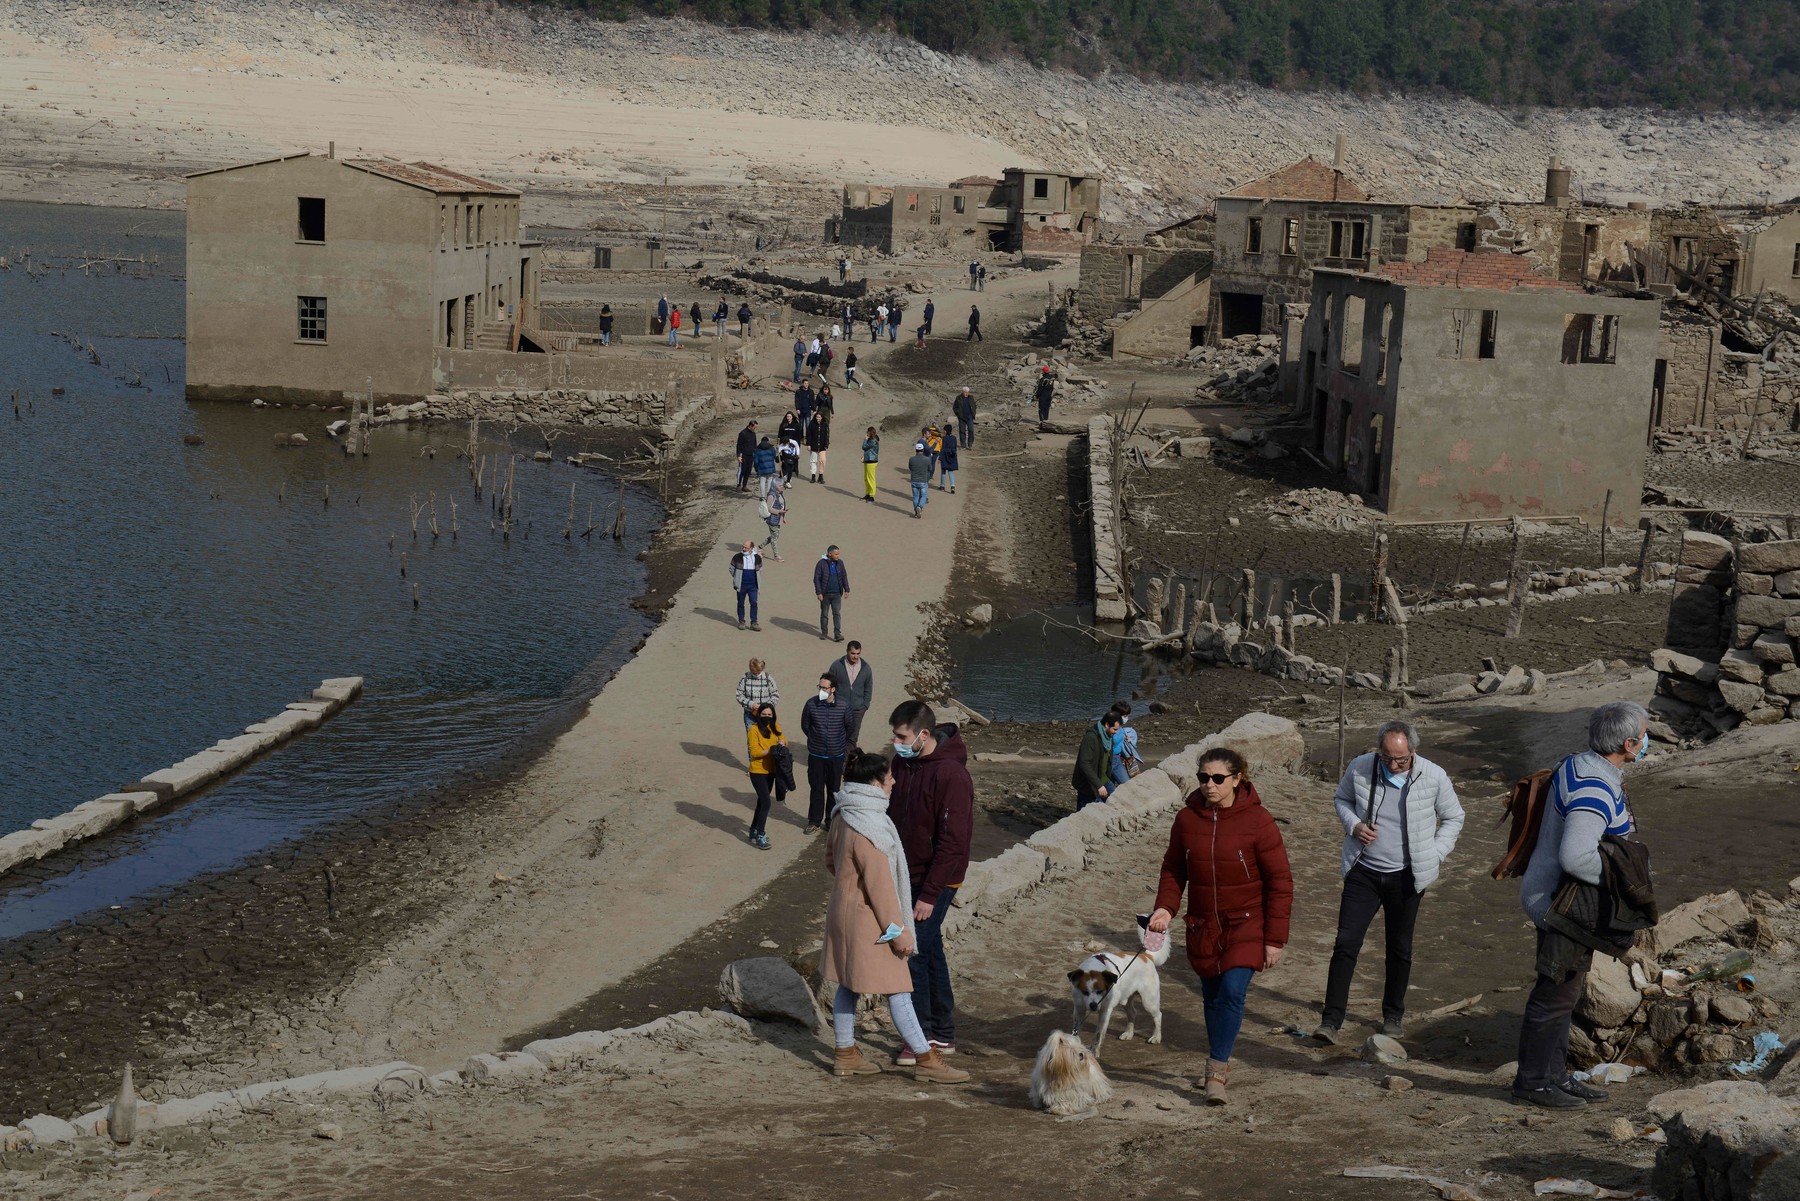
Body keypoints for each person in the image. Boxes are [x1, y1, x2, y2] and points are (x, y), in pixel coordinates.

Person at [1510, 701, 1649, 1110]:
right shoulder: (1593, 785)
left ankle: (1555, 1075)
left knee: (1566, 992)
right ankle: (1532, 1083)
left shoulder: (1581, 763)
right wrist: (1624, 884)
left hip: (1564, 898)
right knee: (1555, 992)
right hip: (1562, 903)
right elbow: (1576, 856)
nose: (1647, 741)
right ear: (1628, 743)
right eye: (1644, 735)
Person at [1147, 747, 1293, 1105]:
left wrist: (1274, 939)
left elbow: (1280, 882)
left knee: (1231, 991)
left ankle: (1216, 1072)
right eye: (1203, 778)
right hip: (1203, 925)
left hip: (1247, 924)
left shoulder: (1259, 821)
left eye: (1217, 779)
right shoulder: (1186, 820)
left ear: (1236, 779)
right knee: (1212, 997)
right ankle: (1218, 1059)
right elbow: (1173, 870)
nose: (1209, 785)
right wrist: (1165, 908)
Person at [1313, 720, 1466, 1045]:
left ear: (1413, 752)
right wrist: (1354, 826)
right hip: (1363, 872)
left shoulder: (1434, 775)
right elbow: (1341, 800)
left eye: (1401, 759)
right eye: (1387, 758)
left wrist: (1435, 853)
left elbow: (1454, 817)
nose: (1393, 765)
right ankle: (1331, 1021)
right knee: (1345, 945)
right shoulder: (1360, 767)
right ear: (1379, 751)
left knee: (1400, 948)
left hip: (1408, 877)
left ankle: (1393, 1017)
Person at [822, 750, 969, 1084]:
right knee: (899, 989)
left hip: (842, 916)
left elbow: (831, 860)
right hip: (871, 924)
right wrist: (901, 934)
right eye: (889, 778)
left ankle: (845, 1054)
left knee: (848, 984)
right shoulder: (870, 826)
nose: (894, 782)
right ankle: (925, 1059)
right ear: (875, 782)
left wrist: (850, 887)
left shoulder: (844, 812)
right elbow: (882, 890)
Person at [887, 700, 974, 1060]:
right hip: (908, 873)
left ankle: (920, 1036)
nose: (896, 741)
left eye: (901, 735)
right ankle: (943, 1033)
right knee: (932, 949)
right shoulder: (902, 763)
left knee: (915, 951)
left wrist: (930, 894)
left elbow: (954, 842)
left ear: (923, 734)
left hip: (937, 879)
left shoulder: (951, 775)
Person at [802, 673, 854, 833]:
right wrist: (815, 739)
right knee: (816, 788)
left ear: (833, 689)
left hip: (835, 756)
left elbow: (850, 727)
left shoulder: (844, 706)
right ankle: (814, 821)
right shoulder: (811, 704)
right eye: (820, 687)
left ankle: (831, 820)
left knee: (834, 790)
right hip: (816, 756)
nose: (822, 690)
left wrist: (837, 742)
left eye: (825, 688)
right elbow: (805, 726)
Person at [745, 701, 787, 850]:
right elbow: (754, 752)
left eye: (770, 714)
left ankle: (753, 830)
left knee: (761, 802)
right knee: (766, 802)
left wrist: (782, 743)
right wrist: (772, 750)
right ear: (759, 715)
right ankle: (761, 834)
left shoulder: (775, 727)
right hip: (757, 772)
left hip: (771, 771)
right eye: (764, 714)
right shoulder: (754, 730)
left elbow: (784, 741)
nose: (767, 717)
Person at [826, 640, 875, 748]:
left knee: (852, 738)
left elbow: (868, 688)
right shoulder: (836, 666)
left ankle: (846, 763)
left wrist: (865, 706)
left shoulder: (866, 668)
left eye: (858, 654)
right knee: (837, 735)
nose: (855, 656)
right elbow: (828, 685)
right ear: (847, 652)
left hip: (858, 709)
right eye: (853, 653)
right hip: (839, 707)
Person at [1072, 709, 1123, 810]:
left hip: (1103, 778)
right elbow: (1084, 763)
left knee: (1115, 802)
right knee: (1084, 812)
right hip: (1087, 783)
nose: (1116, 732)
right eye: (1115, 729)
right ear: (1107, 725)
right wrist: (1099, 785)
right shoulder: (1090, 738)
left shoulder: (1108, 737)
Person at [814, 544, 849, 641]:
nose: (838, 556)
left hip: (837, 594)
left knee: (836, 613)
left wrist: (847, 589)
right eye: (836, 554)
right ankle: (824, 633)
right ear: (830, 554)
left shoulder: (840, 563)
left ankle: (837, 634)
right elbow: (816, 578)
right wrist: (819, 593)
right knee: (824, 614)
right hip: (825, 594)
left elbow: (844, 576)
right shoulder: (821, 563)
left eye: (839, 554)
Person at [734, 657, 778, 729]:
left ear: (762, 668)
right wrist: (751, 704)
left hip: (765, 715)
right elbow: (739, 695)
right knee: (751, 737)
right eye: (753, 672)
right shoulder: (745, 677)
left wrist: (766, 707)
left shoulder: (768, 678)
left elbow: (775, 695)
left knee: (766, 737)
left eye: (758, 672)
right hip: (750, 715)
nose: (756, 674)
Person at [1107, 701, 1140, 794]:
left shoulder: (1119, 727)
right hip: (1110, 759)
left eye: (1127, 716)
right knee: (1127, 784)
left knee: (1113, 784)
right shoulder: (1109, 727)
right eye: (1124, 716)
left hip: (1117, 758)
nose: (1126, 718)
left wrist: (1126, 738)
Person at [730, 542, 765, 632]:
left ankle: (754, 623)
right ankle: (741, 621)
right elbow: (731, 568)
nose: (743, 548)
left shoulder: (757, 557)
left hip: (753, 585)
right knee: (741, 603)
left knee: (754, 602)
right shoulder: (737, 557)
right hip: (741, 585)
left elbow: (760, 568)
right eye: (743, 547)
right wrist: (737, 577)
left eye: (746, 547)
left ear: (751, 548)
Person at [761, 482, 788, 560]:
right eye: (780, 485)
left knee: (775, 536)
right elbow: (768, 508)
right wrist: (779, 511)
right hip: (772, 519)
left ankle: (760, 547)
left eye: (782, 485)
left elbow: (782, 505)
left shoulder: (780, 493)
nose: (782, 486)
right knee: (774, 538)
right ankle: (776, 556)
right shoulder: (771, 495)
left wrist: (783, 517)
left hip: (778, 518)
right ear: (774, 486)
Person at [907, 441, 932, 518]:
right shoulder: (927, 459)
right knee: (923, 496)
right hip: (923, 480)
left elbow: (910, 468)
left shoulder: (911, 459)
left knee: (915, 496)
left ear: (916, 450)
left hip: (914, 480)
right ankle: (920, 507)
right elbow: (930, 469)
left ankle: (916, 511)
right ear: (923, 450)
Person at [806, 410, 831, 484]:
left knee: (823, 461)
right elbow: (808, 435)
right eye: (817, 417)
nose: (818, 418)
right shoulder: (812, 424)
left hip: (822, 446)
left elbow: (827, 435)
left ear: (822, 417)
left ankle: (821, 476)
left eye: (819, 417)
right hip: (813, 446)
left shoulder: (824, 424)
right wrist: (808, 444)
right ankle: (813, 476)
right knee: (813, 461)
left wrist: (826, 444)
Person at [734, 419, 759, 492]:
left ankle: (744, 485)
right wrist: (738, 455)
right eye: (754, 427)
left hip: (751, 455)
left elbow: (755, 444)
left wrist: (756, 453)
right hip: (743, 454)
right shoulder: (742, 433)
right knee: (741, 471)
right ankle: (738, 485)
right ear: (750, 426)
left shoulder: (753, 434)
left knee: (748, 471)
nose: (755, 429)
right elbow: (738, 445)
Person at [860, 426, 880, 503]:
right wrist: (864, 456)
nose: (866, 433)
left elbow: (864, 447)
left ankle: (872, 496)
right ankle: (868, 494)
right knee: (866, 478)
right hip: (868, 460)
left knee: (871, 478)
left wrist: (865, 439)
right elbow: (868, 450)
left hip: (872, 461)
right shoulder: (871, 440)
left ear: (870, 432)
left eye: (867, 432)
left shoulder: (873, 440)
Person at [938, 427, 959, 493]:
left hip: (945, 455)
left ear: (946, 431)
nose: (943, 431)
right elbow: (955, 448)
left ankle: (942, 486)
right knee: (950, 471)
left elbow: (943, 448)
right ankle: (952, 486)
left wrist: (940, 458)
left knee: (943, 471)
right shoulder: (954, 438)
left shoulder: (945, 438)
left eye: (944, 430)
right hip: (952, 456)